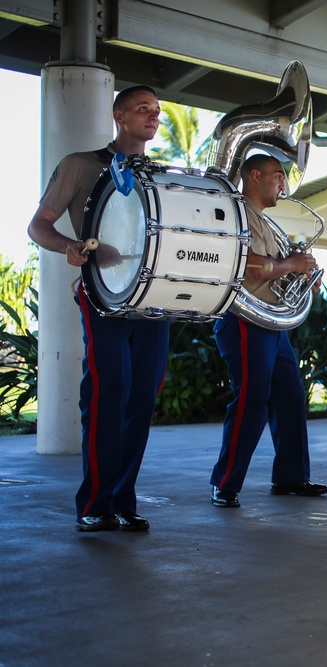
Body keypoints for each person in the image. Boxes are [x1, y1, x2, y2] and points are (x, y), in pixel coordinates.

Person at [27, 86, 169, 532]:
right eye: (143, 109)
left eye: (157, 111)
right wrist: (72, 247)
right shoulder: (80, 164)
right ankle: (95, 504)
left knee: (142, 398)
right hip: (101, 295)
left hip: (151, 300)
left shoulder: (159, 175)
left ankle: (123, 501)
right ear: (119, 115)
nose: (153, 116)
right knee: (109, 393)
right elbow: (38, 226)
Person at [209, 154, 327, 508]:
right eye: (278, 176)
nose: (283, 184)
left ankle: (292, 477)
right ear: (255, 175)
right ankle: (225, 483)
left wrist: (303, 276)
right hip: (245, 322)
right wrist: (291, 264)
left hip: (270, 323)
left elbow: (276, 271)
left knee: (290, 399)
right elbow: (250, 267)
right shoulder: (236, 213)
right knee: (251, 400)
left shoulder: (264, 221)